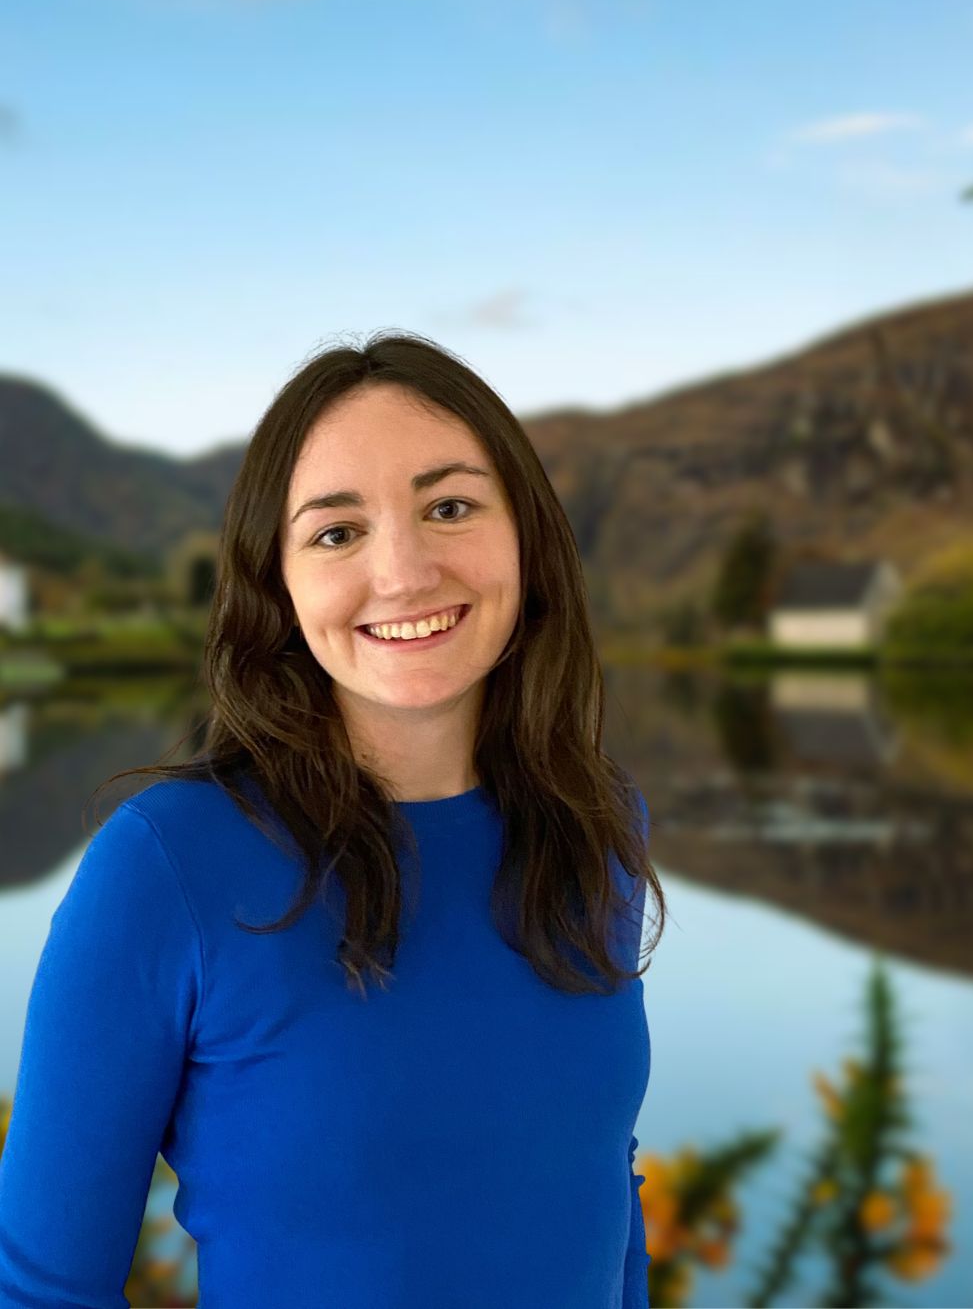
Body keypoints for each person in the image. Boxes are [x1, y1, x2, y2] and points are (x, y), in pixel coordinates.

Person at [0, 331, 666, 1308]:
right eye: (336, 532)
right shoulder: (168, 866)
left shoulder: (596, 825)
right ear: (279, 583)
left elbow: (604, 1187)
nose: (402, 572)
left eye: (449, 507)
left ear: (526, 539)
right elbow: (43, 1289)